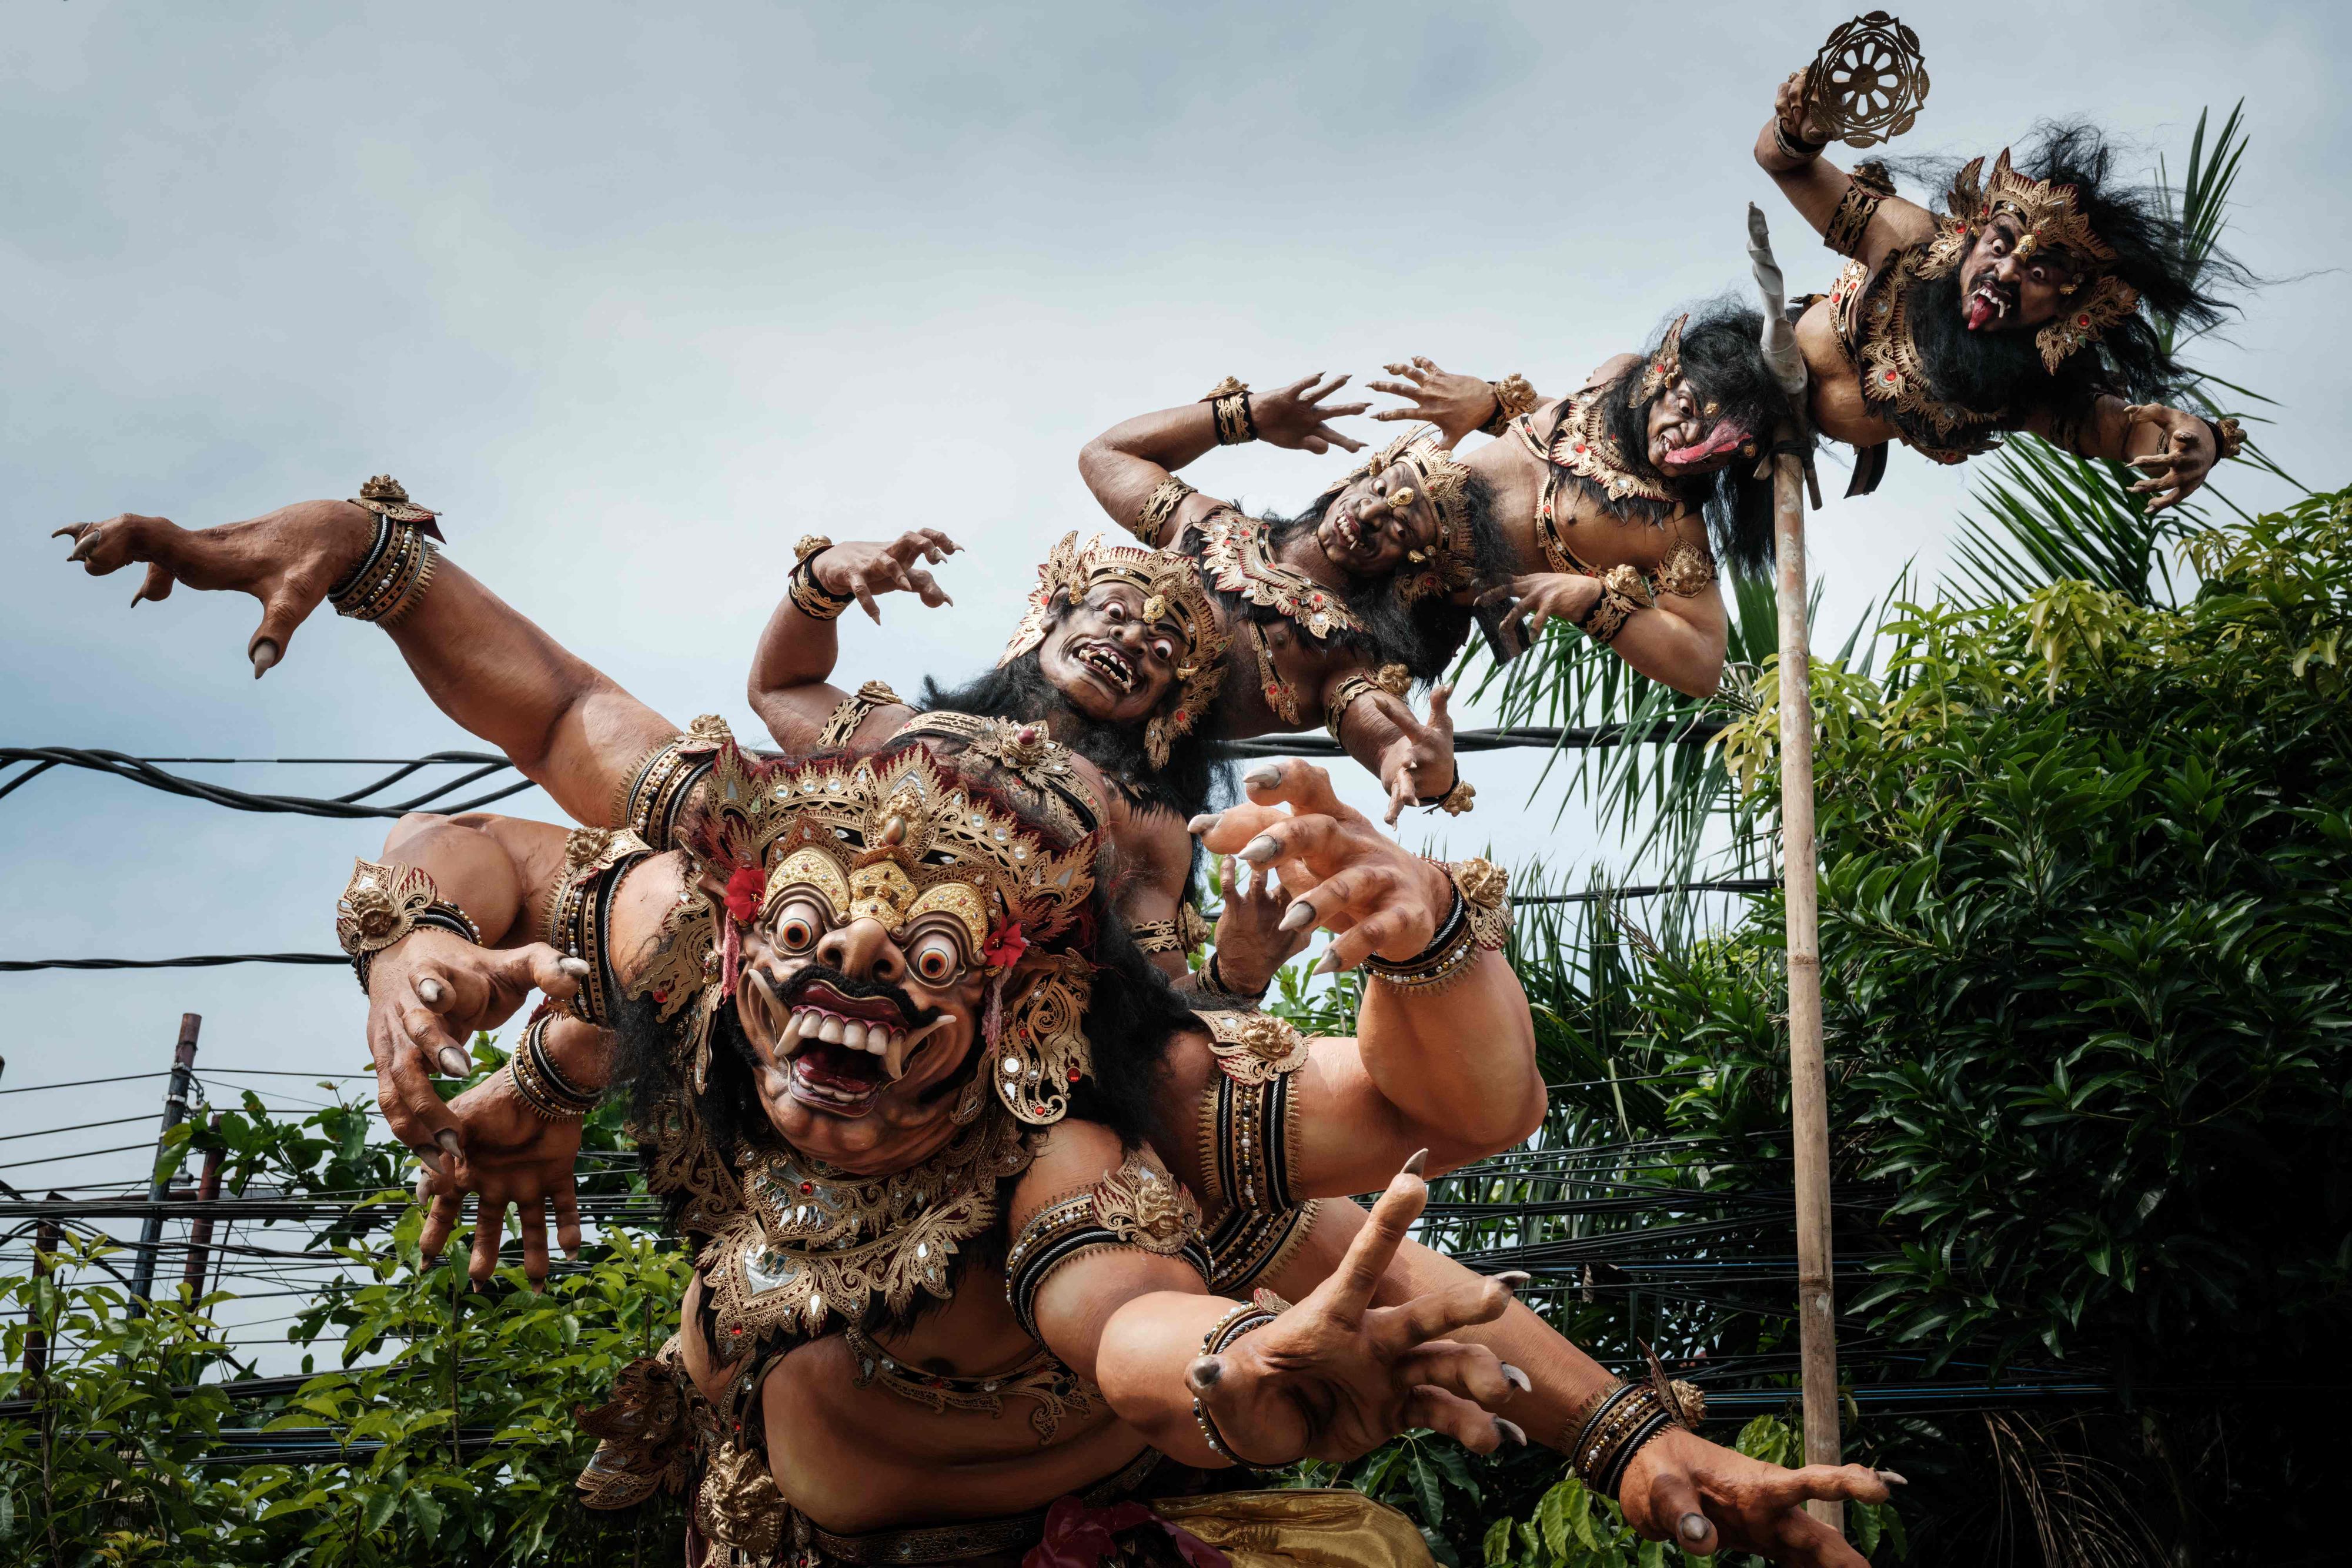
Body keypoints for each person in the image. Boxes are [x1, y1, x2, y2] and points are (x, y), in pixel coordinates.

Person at [1087, 332, 1784, 701]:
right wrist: (1487, 404)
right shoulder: (1614, 379)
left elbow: (1700, 664)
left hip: (1387, 609)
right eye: (1688, 413)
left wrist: (1590, 599)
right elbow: (1105, 456)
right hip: (1349, 530)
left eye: (1716, 451)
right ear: (1666, 373)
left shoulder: (1671, 531)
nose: (1685, 444)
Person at [1756, 78, 2249, 509]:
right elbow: (1784, 165)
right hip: (1736, 377)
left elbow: (2124, 431)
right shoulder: (1909, 244)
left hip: (1787, 460)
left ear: (2068, 309)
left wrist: (2201, 439)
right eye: (2000, 245)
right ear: (1971, 235)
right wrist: (1799, 133)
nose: (2008, 271)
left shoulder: (2030, 388)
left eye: (2039, 273)